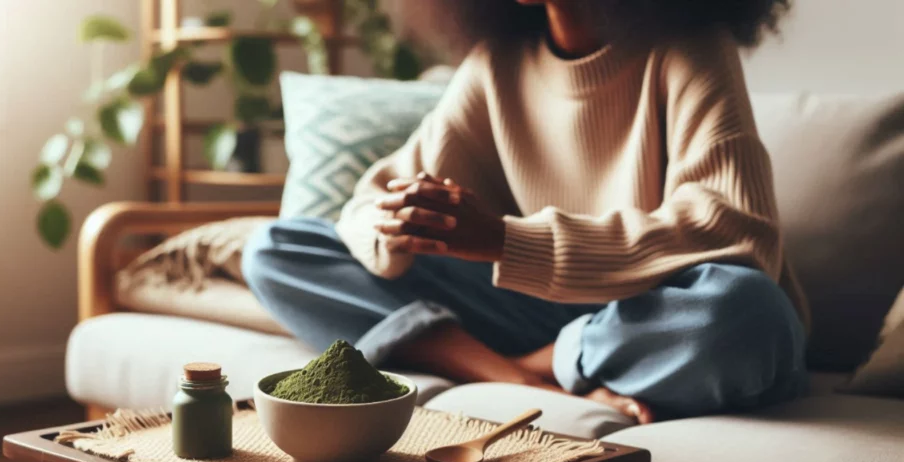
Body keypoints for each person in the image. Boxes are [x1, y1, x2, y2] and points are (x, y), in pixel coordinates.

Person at [242, 0, 809, 424]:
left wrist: (508, 242)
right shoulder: (498, 62)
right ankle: (516, 373)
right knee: (277, 249)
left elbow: (735, 228)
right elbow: (369, 201)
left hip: (651, 315)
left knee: (751, 315)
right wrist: (397, 221)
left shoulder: (689, 45)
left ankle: (544, 361)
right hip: (536, 309)